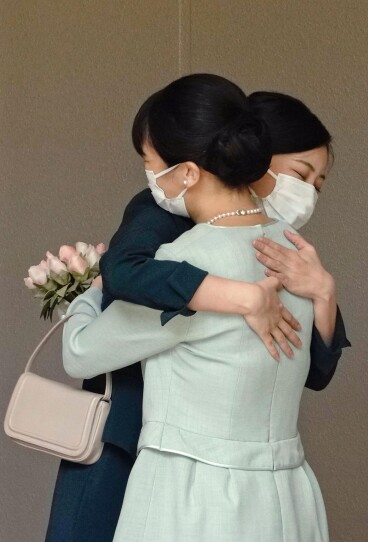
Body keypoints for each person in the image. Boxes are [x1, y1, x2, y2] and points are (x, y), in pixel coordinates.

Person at [45, 87, 349, 541]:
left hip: (192, 495)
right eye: (301, 174)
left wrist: (89, 292)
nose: (149, 175)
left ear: (187, 171)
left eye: (150, 163)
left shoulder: (181, 262)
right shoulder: (296, 256)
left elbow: (81, 351)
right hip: (287, 494)